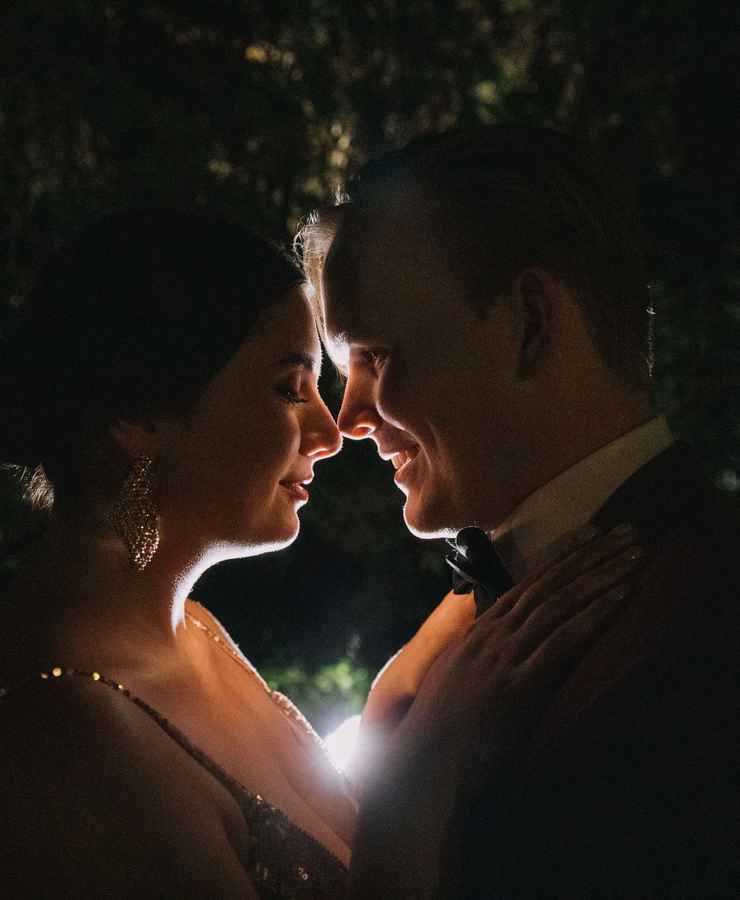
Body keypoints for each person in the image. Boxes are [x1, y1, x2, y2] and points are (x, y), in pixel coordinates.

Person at [0, 208, 644, 899]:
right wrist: (429, 760)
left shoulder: (192, 633)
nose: (329, 430)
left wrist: (398, 703)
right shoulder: (65, 733)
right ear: (136, 415)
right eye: (288, 388)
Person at [304, 126, 740, 898]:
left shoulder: (704, 629)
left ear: (529, 322)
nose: (349, 418)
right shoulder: (457, 636)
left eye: (372, 355)